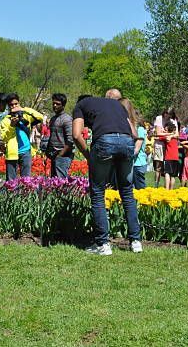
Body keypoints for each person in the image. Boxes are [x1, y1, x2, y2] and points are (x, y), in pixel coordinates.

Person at [72, 94, 142, 255]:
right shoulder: (116, 104)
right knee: (127, 191)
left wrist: (88, 155)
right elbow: (133, 133)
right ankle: (136, 241)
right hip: (126, 142)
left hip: (104, 142)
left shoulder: (80, 106)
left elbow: (76, 134)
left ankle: (103, 244)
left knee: (97, 192)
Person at [0, 93, 44, 181]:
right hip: (12, 153)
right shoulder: (5, 120)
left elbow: (40, 117)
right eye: (11, 105)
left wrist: (23, 109)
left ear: (19, 103)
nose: (14, 106)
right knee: (11, 181)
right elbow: (4, 137)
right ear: (8, 106)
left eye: (16, 104)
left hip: (26, 151)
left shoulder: (26, 116)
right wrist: (12, 126)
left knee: (26, 179)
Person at [119, 99, 146, 189]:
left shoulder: (140, 130)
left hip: (138, 164)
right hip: (131, 163)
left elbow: (137, 149)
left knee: (140, 189)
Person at [47, 93, 74, 178]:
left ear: (63, 105)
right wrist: (47, 152)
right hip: (54, 154)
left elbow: (70, 140)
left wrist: (60, 155)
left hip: (63, 155)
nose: (54, 106)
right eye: (53, 103)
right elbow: (51, 136)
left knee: (61, 181)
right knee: (54, 182)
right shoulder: (53, 119)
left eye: (57, 104)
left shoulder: (67, 119)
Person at [157, 122, 179, 190]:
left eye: (166, 129)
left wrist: (164, 132)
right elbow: (176, 133)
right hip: (176, 158)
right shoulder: (175, 137)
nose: (165, 130)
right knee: (173, 176)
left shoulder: (166, 137)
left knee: (167, 173)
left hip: (168, 157)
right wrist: (172, 133)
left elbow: (158, 136)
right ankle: (171, 190)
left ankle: (167, 189)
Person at [152, 109, 169, 187]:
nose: (167, 115)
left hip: (167, 145)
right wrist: (167, 133)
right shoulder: (159, 118)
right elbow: (158, 133)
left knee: (166, 167)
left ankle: (166, 185)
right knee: (158, 166)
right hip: (159, 145)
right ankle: (156, 184)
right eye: (166, 113)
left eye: (168, 114)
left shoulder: (170, 120)